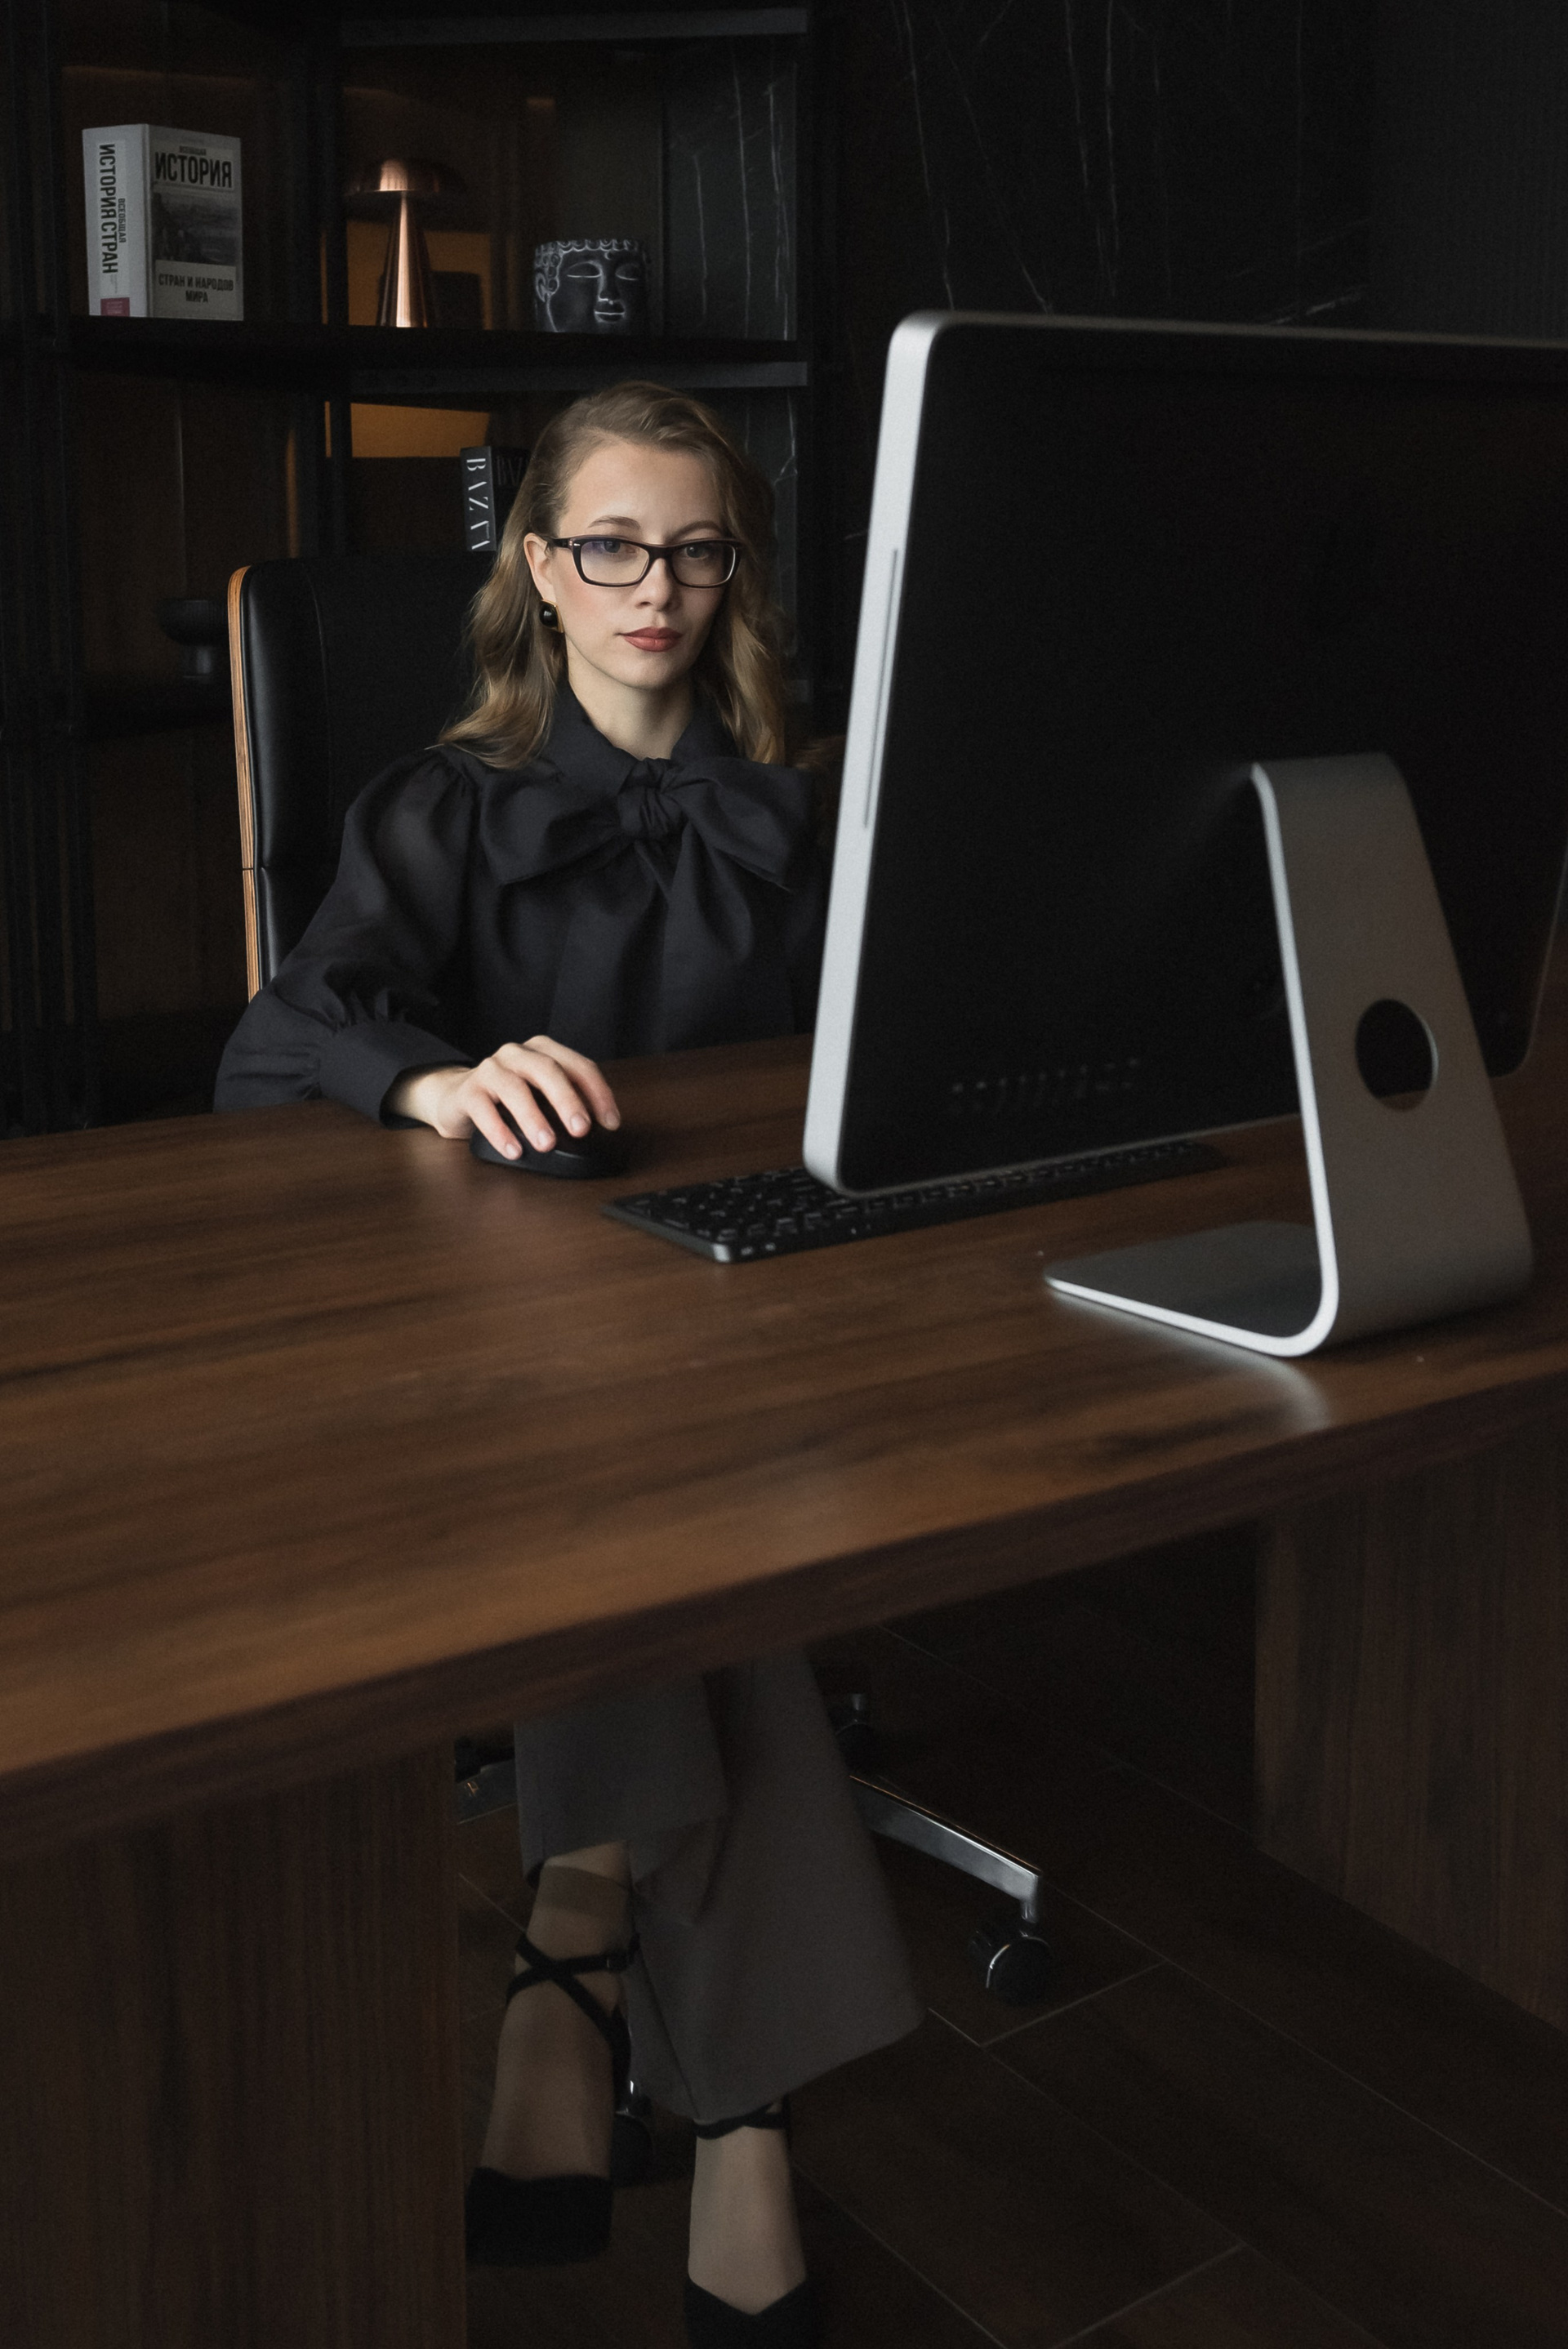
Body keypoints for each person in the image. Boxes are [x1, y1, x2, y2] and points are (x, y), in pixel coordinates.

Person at [216, 383, 922, 2347]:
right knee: (669, 1527)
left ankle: (577, 1924)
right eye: (610, 545)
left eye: (695, 548)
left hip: (778, 1310)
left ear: (733, 571)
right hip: (525, 1355)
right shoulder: (441, 804)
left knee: (685, 1484)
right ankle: (745, 2104)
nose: (653, 587)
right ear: (538, 566)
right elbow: (282, 1038)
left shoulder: (810, 795)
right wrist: (436, 1081)